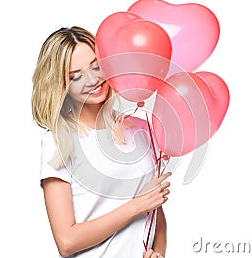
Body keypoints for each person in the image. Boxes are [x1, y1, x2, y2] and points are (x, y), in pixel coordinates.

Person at [31, 26, 172, 258]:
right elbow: (67, 241)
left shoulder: (140, 128)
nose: (93, 79)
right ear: (60, 85)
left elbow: (155, 208)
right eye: (76, 75)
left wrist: (158, 252)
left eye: (96, 66)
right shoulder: (59, 141)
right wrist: (135, 206)